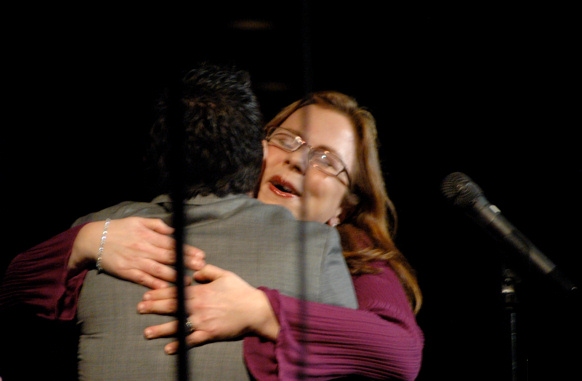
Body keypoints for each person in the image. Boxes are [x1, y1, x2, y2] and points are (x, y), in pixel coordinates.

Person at [1, 90, 424, 380]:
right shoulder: (184, 212)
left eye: (327, 161)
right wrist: (88, 241)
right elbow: (12, 290)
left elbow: (400, 351)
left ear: (344, 207)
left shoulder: (356, 253)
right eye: (288, 139)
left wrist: (262, 311)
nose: (297, 160)